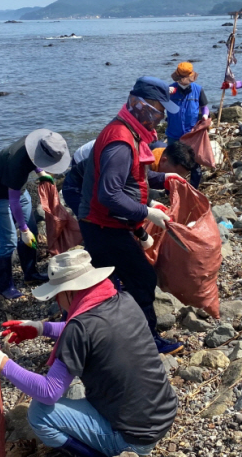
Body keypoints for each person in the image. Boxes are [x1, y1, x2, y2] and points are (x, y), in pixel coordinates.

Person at [0, 250, 177, 457]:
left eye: (57, 294)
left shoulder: (79, 328)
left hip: (133, 439)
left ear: (69, 291)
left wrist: (1, 363)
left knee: (39, 413)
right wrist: (41, 328)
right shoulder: (124, 300)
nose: (58, 302)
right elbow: (93, 333)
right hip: (162, 413)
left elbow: (48, 392)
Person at [77, 76, 186, 355]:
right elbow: (109, 195)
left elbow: (136, 176)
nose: (161, 118)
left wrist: (165, 179)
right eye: (159, 111)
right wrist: (148, 211)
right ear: (140, 105)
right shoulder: (120, 141)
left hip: (108, 224)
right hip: (102, 226)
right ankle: (147, 342)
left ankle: (111, 337)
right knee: (142, 279)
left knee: (112, 283)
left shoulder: (131, 131)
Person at [0, 129, 70, 298]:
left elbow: (34, 159)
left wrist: (41, 172)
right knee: (8, 241)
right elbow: (13, 200)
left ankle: (30, 274)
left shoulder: (38, 143)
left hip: (19, 191)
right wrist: (23, 230)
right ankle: (6, 287)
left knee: (33, 231)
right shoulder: (17, 163)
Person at [61, 139, 196, 215]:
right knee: (92, 219)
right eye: (177, 173)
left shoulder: (153, 153)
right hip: (76, 184)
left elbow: (141, 179)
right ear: (165, 160)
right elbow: (121, 191)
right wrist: (149, 207)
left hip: (99, 172)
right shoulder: (134, 156)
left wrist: (165, 178)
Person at [166, 62, 208, 188]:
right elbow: (155, 102)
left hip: (191, 134)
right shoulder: (169, 90)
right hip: (173, 133)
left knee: (194, 164)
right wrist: (163, 92)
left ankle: (194, 189)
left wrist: (205, 116)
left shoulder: (198, 89)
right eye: (181, 79)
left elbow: (204, 107)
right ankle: (171, 190)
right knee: (172, 164)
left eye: (186, 79)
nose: (184, 81)